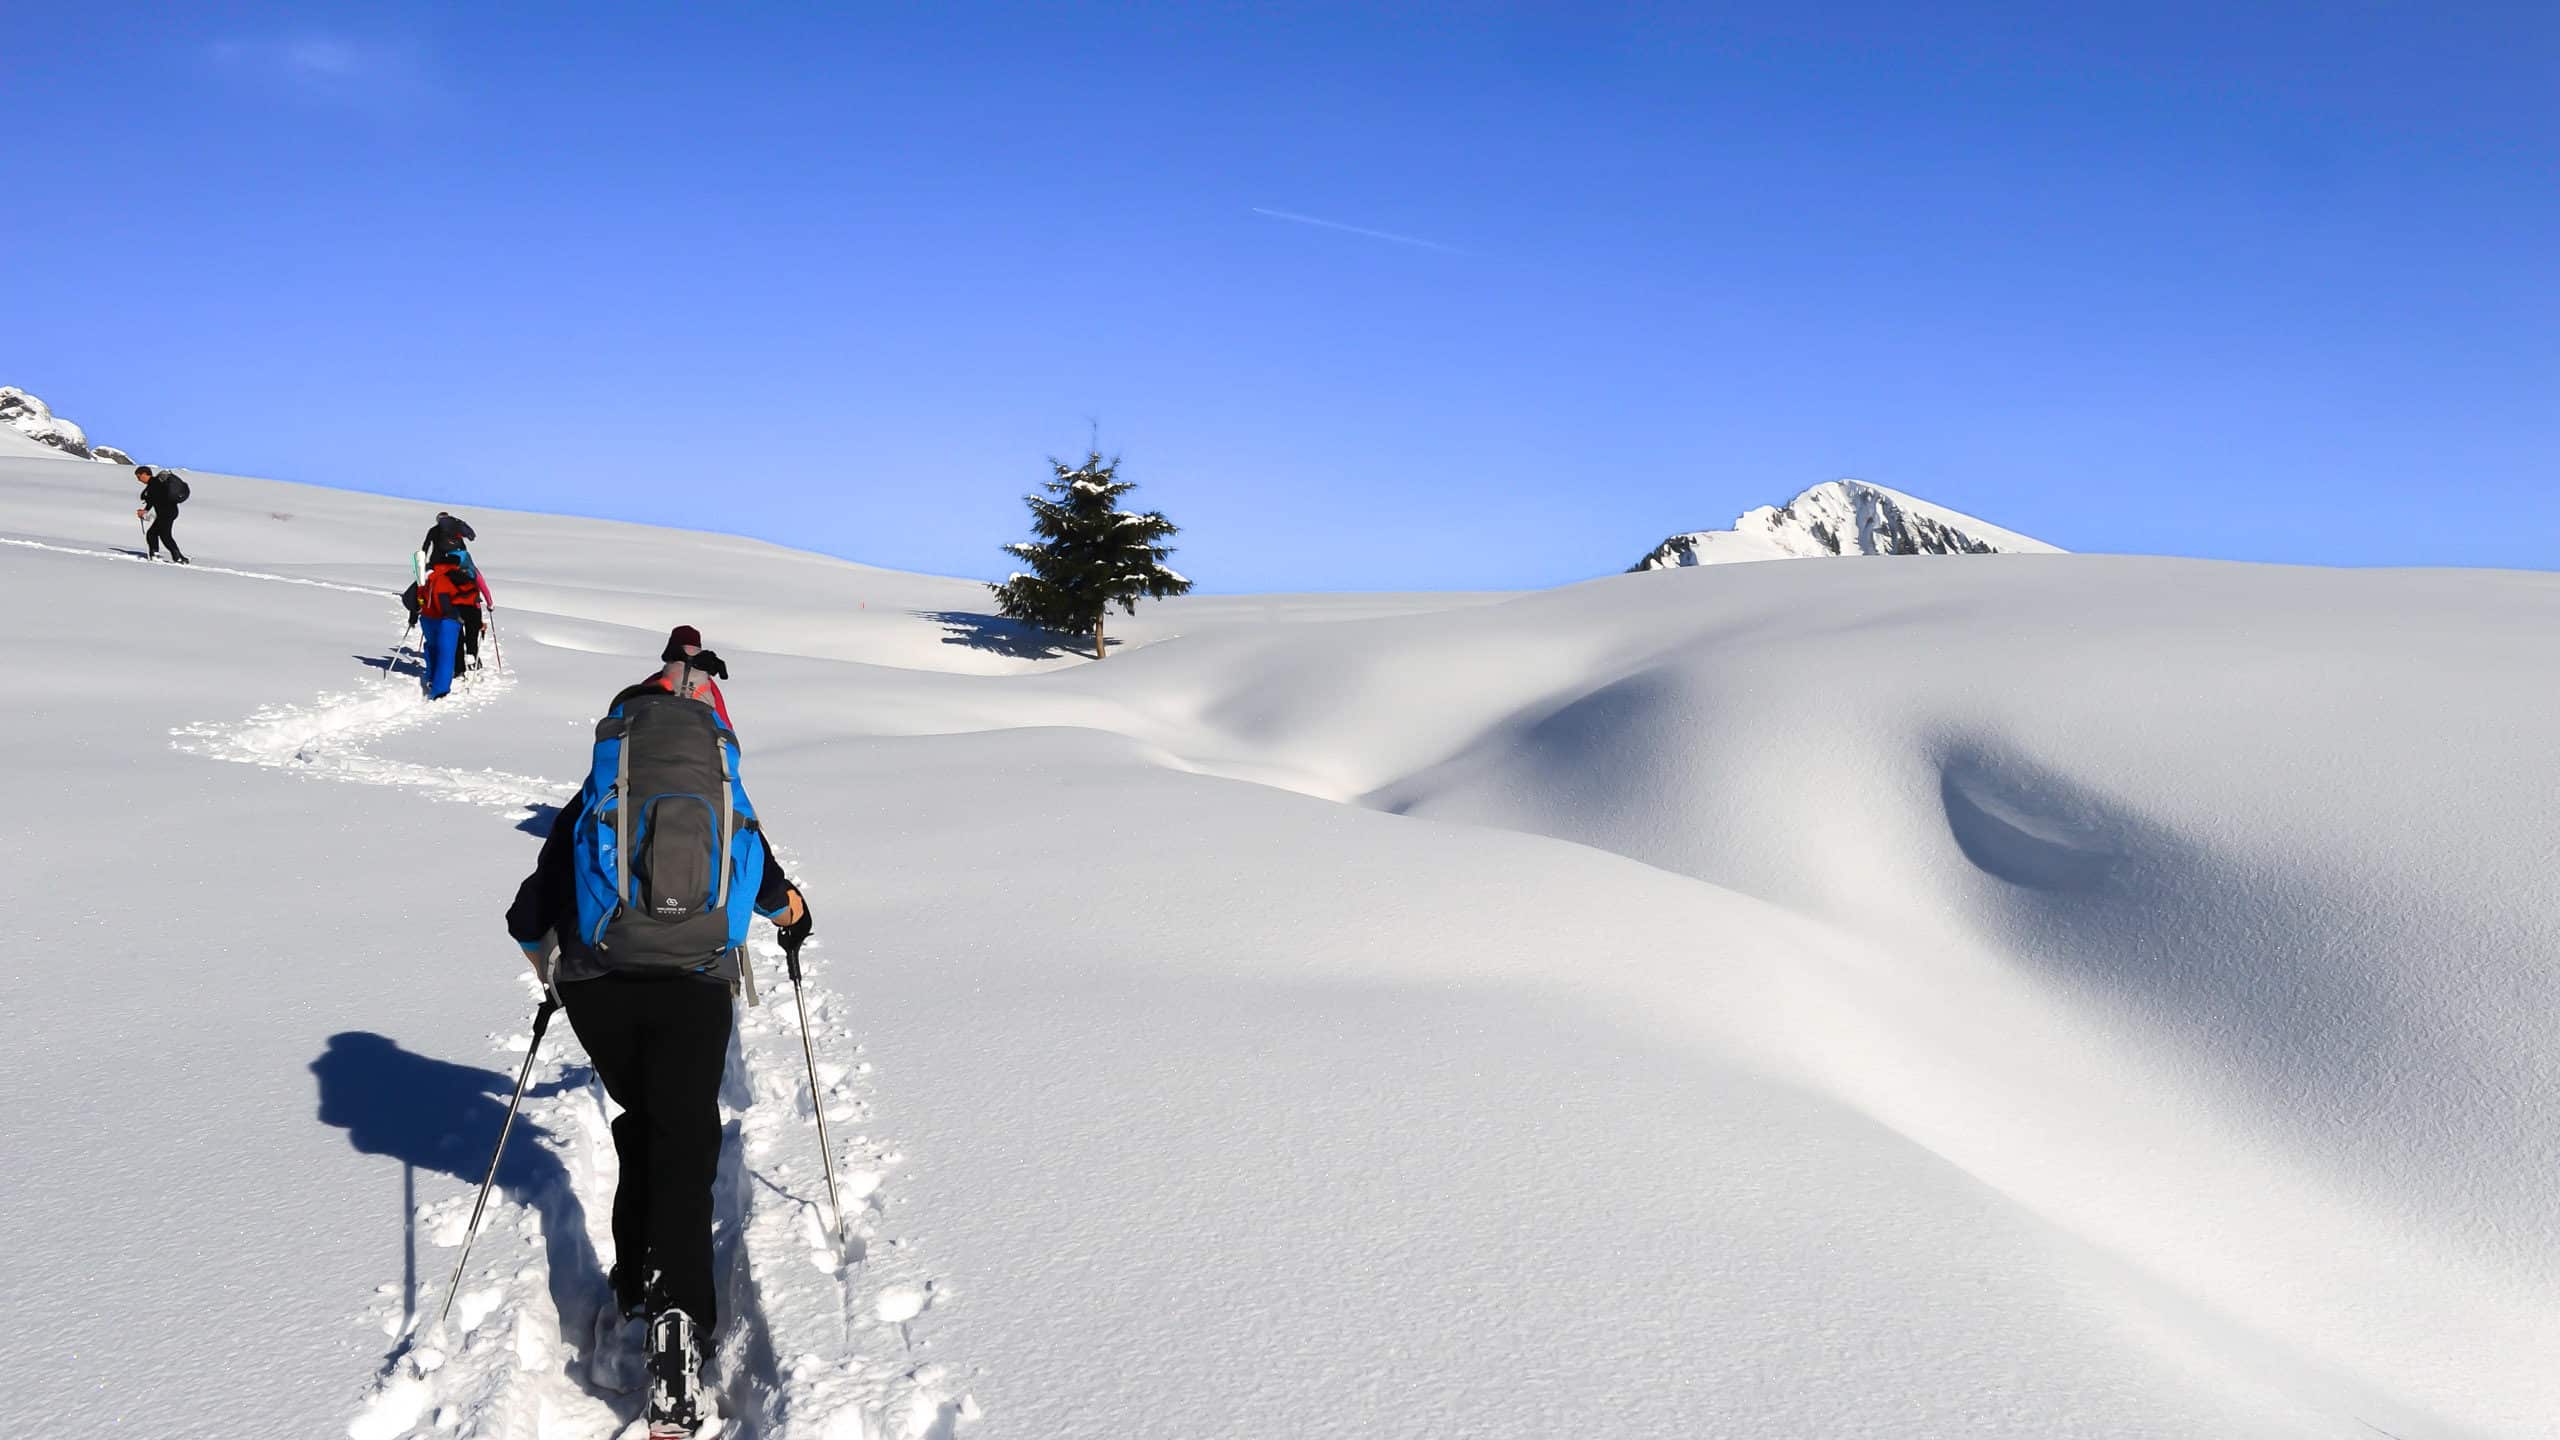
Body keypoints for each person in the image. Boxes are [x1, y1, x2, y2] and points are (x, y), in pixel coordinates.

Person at [505, 651, 810, 1437]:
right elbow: (770, 888)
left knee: (643, 1119)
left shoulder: (596, 798)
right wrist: (793, 916)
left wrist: (552, 970)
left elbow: (525, 917)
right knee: (683, 1134)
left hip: (601, 985)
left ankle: (635, 1288)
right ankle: (677, 1315)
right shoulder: (721, 790)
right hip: (696, 981)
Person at [415, 549, 488, 699]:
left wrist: (420, 609)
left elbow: (416, 597)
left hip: (427, 618)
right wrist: (465, 618)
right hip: (447, 621)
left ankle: (431, 677)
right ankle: (440, 690)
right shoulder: (455, 576)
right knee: (446, 654)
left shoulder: (428, 575)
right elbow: (468, 597)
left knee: (432, 648)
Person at [636, 625, 731, 727]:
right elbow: (724, 722)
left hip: (659, 727)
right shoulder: (708, 685)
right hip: (699, 730)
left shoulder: (657, 679)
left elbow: (634, 702)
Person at [134, 465, 189, 564]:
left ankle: (172, 557)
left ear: (144, 474)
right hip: (170, 511)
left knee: (160, 535)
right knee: (158, 534)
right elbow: (155, 499)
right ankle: (177, 557)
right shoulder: (157, 482)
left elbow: (154, 499)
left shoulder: (154, 483)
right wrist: (146, 511)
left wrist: (145, 511)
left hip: (166, 512)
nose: (138, 480)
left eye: (138, 476)